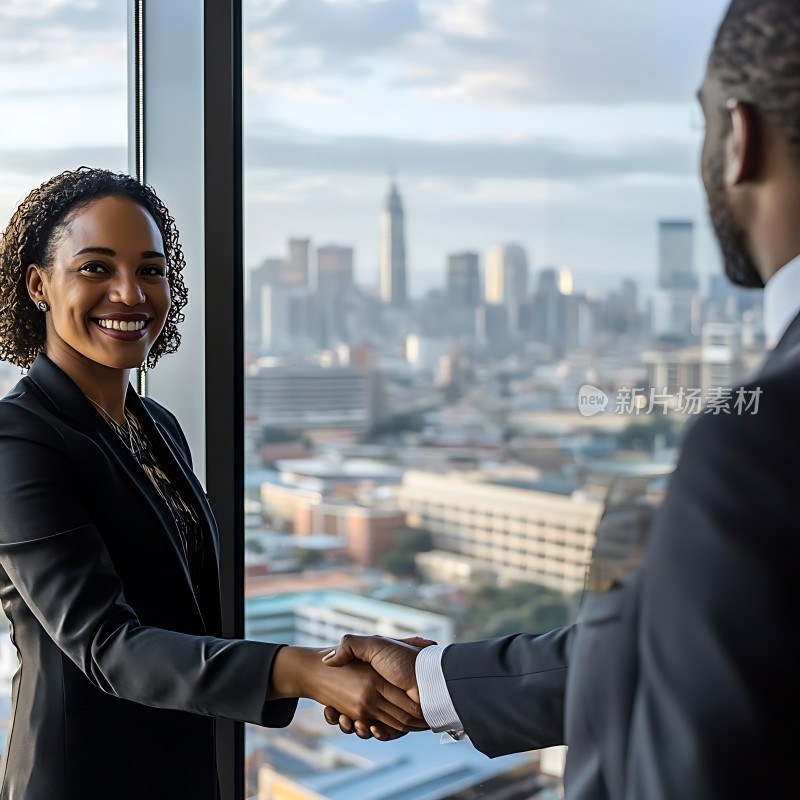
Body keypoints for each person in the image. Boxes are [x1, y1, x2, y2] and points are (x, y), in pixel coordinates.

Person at [321, 1, 800, 797]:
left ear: (739, 137)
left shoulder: (764, 436)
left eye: (703, 128)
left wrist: (621, 586)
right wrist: (435, 680)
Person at [0, 167, 426, 800]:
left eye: (150, 269)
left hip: (185, 767)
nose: (129, 292)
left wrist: (339, 665)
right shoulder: (19, 439)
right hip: (82, 776)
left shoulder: (157, 426)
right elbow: (108, 646)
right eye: (95, 268)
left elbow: (186, 615)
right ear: (39, 285)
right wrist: (305, 674)